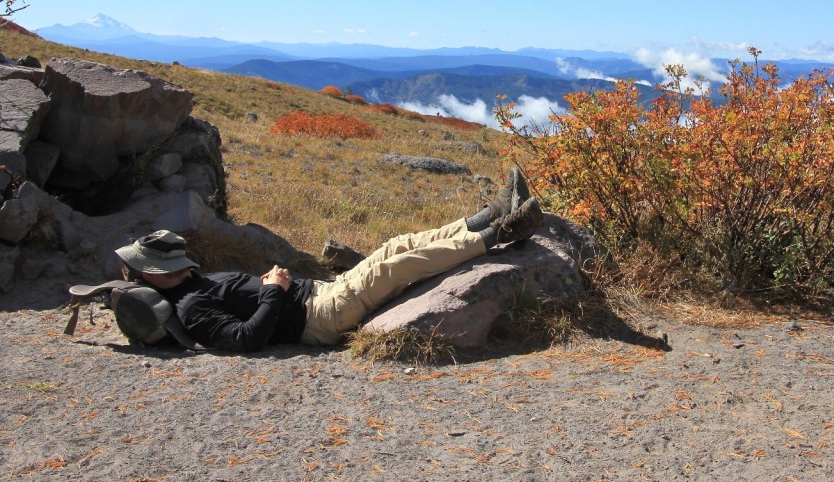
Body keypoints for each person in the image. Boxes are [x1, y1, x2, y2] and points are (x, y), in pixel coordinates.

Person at [113, 169, 542, 352]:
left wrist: (271, 288)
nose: (185, 262)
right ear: (156, 273)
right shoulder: (191, 308)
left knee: (396, 244)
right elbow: (246, 339)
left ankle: (490, 213)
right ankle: (501, 234)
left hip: (318, 294)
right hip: (318, 318)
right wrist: (272, 292)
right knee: (393, 267)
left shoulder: (191, 286)